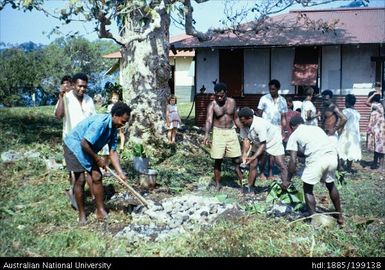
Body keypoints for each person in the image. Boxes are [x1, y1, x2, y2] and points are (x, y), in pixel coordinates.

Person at [63, 102, 131, 225]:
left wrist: (121, 173)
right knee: (80, 180)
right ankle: (82, 214)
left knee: (97, 177)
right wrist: (97, 159)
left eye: (125, 123)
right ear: (115, 115)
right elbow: (84, 143)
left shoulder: (114, 130)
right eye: (122, 121)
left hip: (88, 148)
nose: (123, 125)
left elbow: (113, 152)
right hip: (73, 146)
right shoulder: (101, 123)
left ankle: (100, 210)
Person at [284, 115, 344, 225]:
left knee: (307, 188)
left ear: (292, 127)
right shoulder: (316, 128)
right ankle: (340, 217)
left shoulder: (294, 135)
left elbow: (293, 162)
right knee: (330, 185)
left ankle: (314, 221)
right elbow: (313, 147)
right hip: (332, 157)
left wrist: (287, 180)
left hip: (318, 159)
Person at [55, 73, 96, 209]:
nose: (82, 89)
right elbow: (58, 115)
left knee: (91, 172)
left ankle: (95, 198)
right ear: (73, 85)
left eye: (85, 86)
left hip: (87, 141)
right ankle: (78, 203)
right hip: (71, 142)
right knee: (78, 177)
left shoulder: (89, 100)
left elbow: (93, 121)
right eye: (79, 86)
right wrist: (61, 97)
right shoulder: (66, 98)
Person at [238, 107, 288, 193]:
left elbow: (263, 144)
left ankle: (286, 186)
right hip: (258, 142)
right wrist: (244, 154)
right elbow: (246, 140)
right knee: (253, 164)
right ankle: (250, 188)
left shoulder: (259, 124)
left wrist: (253, 156)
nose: (241, 123)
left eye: (243, 121)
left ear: (250, 118)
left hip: (273, 140)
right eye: (241, 121)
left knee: (281, 164)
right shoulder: (244, 124)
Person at [203, 83, 243, 190]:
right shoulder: (212, 105)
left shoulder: (232, 102)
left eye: (221, 95)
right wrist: (206, 134)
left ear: (226, 93)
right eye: (217, 96)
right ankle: (217, 184)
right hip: (218, 132)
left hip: (231, 132)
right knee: (218, 160)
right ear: (214, 94)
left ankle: (243, 184)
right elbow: (209, 120)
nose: (219, 97)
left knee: (237, 160)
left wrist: (243, 131)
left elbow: (236, 118)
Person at [257, 79, 288, 179]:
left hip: (276, 129)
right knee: (264, 151)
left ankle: (270, 174)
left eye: (273, 89)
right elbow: (259, 114)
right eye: (270, 89)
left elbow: (283, 117)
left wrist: (284, 131)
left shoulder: (283, 100)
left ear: (278, 89)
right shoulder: (264, 99)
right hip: (265, 129)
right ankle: (261, 173)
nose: (271, 91)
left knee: (273, 153)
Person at [337, 94, 362, 173]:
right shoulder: (357, 113)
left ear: (347, 102)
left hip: (346, 133)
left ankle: (340, 167)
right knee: (351, 150)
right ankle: (348, 167)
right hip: (354, 135)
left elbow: (342, 121)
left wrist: (338, 129)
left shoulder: (346, 111)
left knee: (341, 149)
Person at [365, 86, 385, 171]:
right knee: (376, 147)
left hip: (379, 130)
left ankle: (381, 167)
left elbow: (366, 102)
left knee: (380, 148)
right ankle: (374, 164)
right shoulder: (377, 105)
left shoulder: (376, 105)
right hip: (376, 130)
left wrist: (373, 94)